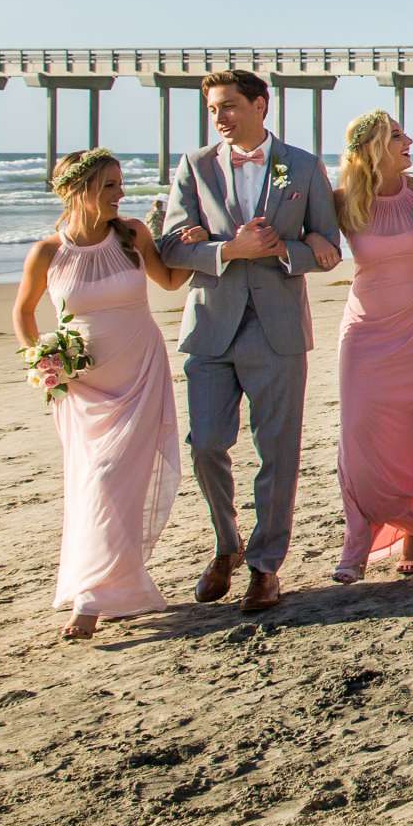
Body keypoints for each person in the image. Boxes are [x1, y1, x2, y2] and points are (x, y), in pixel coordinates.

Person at [159, 68, 343, 614]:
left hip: (277, 327)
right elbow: (170, 246)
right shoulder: (194, 166)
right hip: (211, 326)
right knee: (207, 445)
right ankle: (227, 544)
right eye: (214, 108)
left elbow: (328, 247)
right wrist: (226, 251)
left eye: (230, 105)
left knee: (277, 452)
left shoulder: (304, 166)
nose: (220, 117)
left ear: (261, 105)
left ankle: (266, 566)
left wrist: (283, 249)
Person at [13, 150, 195, 637]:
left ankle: (93, 597)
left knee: (119, 481)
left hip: (139, 372)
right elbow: (24, 314)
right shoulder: (48, 251)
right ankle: (103, 585)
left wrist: (198, 247)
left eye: (120, 184)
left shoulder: (133, 234)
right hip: (83, 387)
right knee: (94, 480)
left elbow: (172, 281)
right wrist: (44, 362)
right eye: (110, 185)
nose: (121, 193)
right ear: (79, 189)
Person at [331, 113, 413, 584]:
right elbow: (309, 241)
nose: (408, 141)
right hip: (366, 329)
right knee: (360, 434)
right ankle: (358, 537)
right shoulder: (341, 200)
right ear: (372, 147)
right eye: (397, 136)